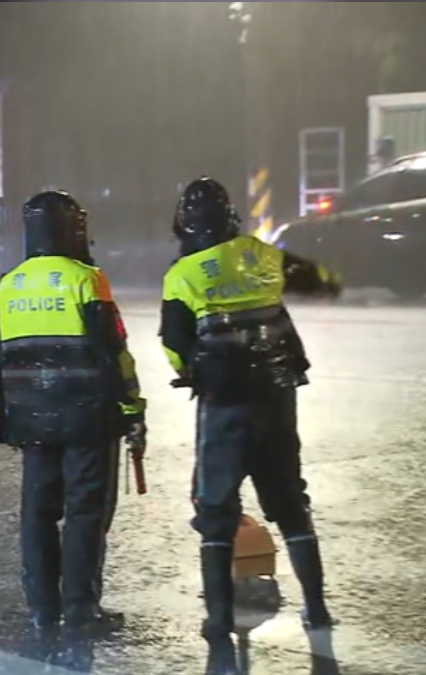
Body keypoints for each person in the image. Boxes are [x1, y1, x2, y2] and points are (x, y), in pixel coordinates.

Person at [160, 177, 341, 675]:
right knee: (290, 504)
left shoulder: (183, 274)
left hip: (225, 404)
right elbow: (305, 284)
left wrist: (190, 372)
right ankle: (318, 608)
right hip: (278, 395)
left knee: (217, 510)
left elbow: (175, 343)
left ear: (186, 223)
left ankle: (219, 621)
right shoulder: (261, 254)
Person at [0, 191, 147, 662]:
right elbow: (113, 352)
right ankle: (80, 610)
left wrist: (5, 409)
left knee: (37, 511)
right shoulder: (88, 280)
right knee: (84, 513)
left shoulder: (9, 284)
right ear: (73, 229)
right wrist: (132, 408)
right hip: (87, 418)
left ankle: (41, 608)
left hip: (30, 417)